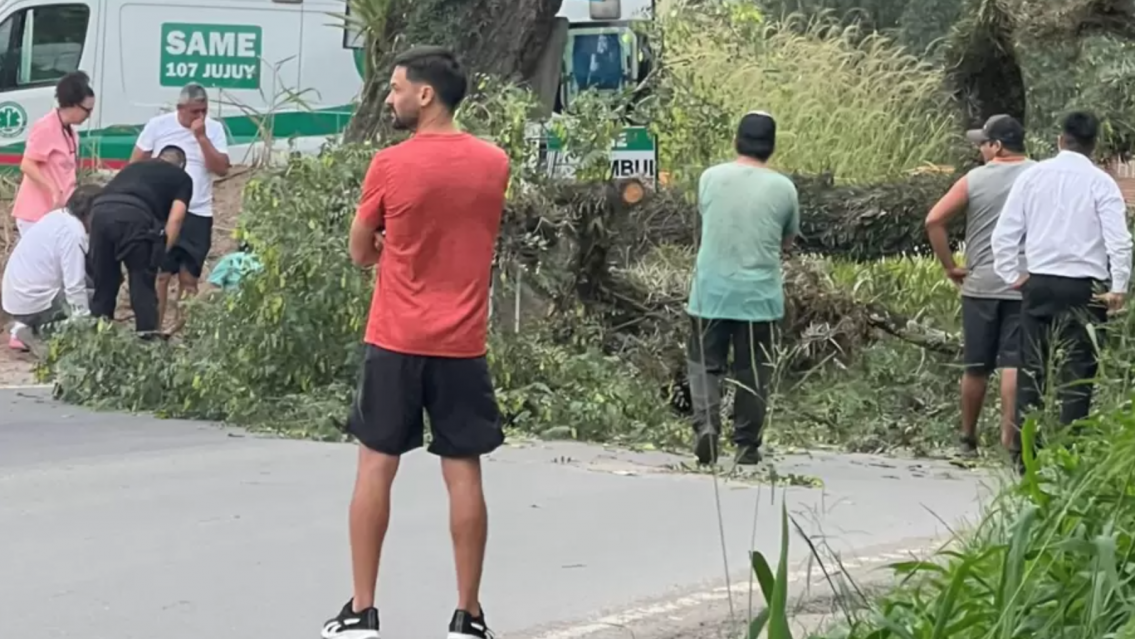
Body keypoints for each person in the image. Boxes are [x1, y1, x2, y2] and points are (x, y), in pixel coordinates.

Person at [320, 47, 509, 639]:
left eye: (398, 87)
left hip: (397, 338)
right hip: (462, 343)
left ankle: (362, 611)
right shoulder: (493, 162)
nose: (391, 96)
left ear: (426, 94)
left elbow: (358, 250)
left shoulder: (390, 165)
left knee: (376, 467)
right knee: (464, 474)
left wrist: (390, 255)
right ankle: (468, 616)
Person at [991, 110, 1133, 464]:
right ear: (1093, 145)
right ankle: (1070, 455)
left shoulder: (1034, 176)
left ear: (1060, 140)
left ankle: (1026, 456)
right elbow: (1120, 241)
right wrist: (1118, 287)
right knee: (1079, 372)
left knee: (1032, 368)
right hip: (1085, 291)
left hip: (1038, 283)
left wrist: (1013, 276)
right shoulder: (1102, 184)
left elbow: (1004, 234)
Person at [685, 111, 799, 467]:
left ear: (737, 140)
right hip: (758, 297)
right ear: (772, 146)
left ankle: (707, 425)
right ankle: (746, 445)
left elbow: (707, 220)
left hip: (710, 290)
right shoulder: (784, 188)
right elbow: (787, 241)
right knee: (753, 371)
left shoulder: (709, 178)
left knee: (704, 364)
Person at [924, 114, 1035, 459]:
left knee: (976, 365)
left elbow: (934, 220)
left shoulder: (975, 179)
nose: (980, 149)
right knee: (1014, 363)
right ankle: (1011, 442)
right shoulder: (1040, 175)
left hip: (981, 284)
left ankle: (967, 440)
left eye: (983, 143)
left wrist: (950, 266)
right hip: (1024, 282)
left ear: (997, 146)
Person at [129, 82, 230, 330]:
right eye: (194, 112)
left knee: (189, 279)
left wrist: (202, 137)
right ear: (180, 108)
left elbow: (222, 168)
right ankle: (154, 330)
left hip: (198, 212)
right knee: (161, 275)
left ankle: (181, 332)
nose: (200, 116)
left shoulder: (214, 129)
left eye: (204, 110)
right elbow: (135, 162)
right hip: (163, 211)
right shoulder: (159, 126)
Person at [8, 71, 95, 349]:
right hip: (38, 211)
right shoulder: (46, 127)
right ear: (71, 104)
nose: (88, 115)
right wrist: (52, 189)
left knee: (60, 272)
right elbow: (28, 164)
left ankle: (37, 327)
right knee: (46, 273)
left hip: (61, 214)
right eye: (86, 109)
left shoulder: (71, 134)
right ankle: (20, 330)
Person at [89, 146, 194, 336]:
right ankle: (146, 344)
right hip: (135, 216)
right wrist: (160, 253)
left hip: (98, 212)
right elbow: (176, 219)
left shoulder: (133, 168)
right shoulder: (182, 178)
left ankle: (97, 340)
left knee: (104, 283)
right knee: (142, 281)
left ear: (157, 158)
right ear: (182, 166)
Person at [2, 185, 102, 355]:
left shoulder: (57, 217)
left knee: (90, 285)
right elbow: (74, 286)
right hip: (32, 302)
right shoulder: (73, 234)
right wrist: (84, 329)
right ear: (90, 214)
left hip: (17, 299)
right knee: (98, 300)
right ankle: (42, 333)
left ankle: (27, 327)